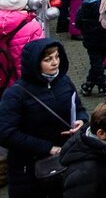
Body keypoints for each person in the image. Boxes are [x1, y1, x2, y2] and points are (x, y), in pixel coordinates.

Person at [0, 38, 88, 196]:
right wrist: (47, 148)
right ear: (34, 63)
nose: (55, 63)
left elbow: (79, 108)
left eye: (57, 56)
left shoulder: (64, 81)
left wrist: (81, 120)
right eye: (48, 59)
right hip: (28, 169)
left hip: (63, 160)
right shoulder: (15, 94)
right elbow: (5, 133)